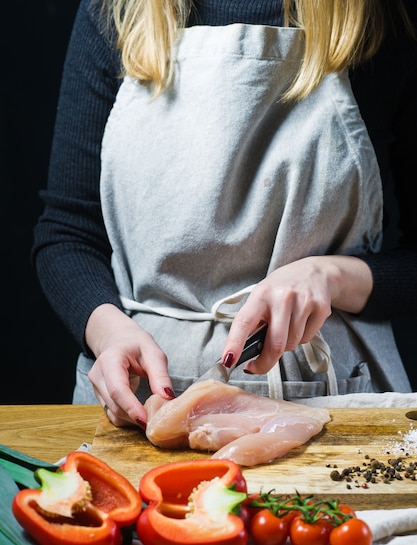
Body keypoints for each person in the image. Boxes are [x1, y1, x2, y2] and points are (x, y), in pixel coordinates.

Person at [33, 0, 417, 427]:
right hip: (136, 406)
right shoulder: (116, 11)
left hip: (334, 398)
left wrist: (330, 278)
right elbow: (68, 233)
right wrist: (109, 333)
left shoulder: (380, 15)